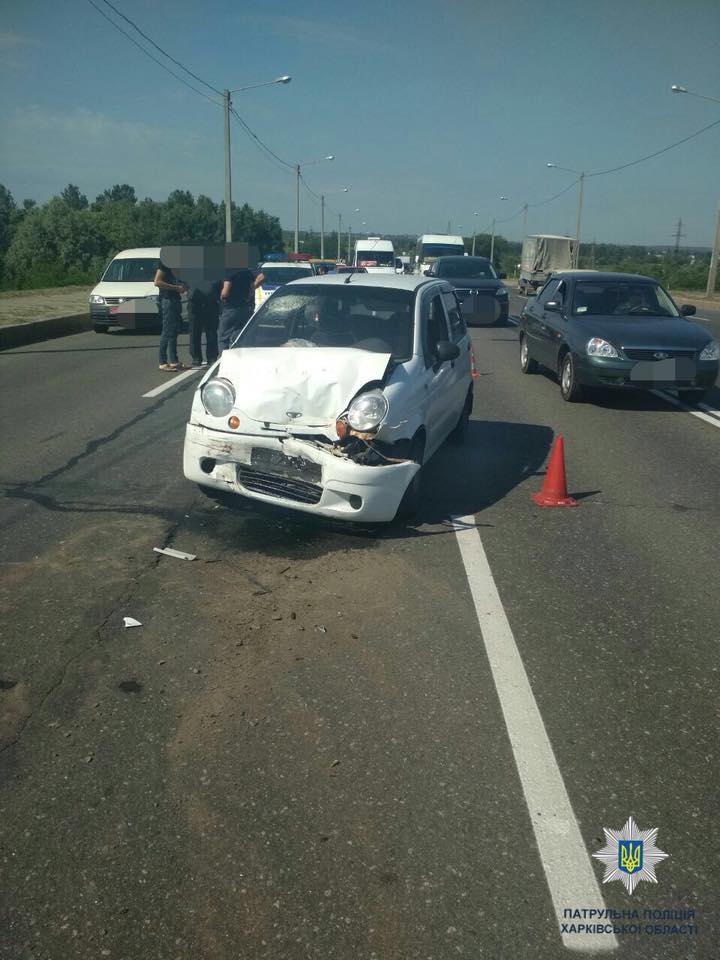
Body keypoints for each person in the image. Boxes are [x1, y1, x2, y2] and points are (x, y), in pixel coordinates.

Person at [217, 264, 265, 352]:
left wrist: (221, 297)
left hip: (231, 307)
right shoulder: (247, 272)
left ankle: (222, 359)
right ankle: (240, 355)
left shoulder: (229, 272)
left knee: (224, 336)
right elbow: (251, 288)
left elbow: (225, 292)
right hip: (245, 307)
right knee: (241, 334)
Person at [154, 260, 188, 371]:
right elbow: (157, 282)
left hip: (175, 299)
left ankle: (174, 361)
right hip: (168, 299)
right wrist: (176, 288)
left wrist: (182, 286)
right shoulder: (165, 264)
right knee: (167, 331)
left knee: (174, 330)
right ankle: (163, 362)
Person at [188, 278, 220, 367]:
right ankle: (196, 358)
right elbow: (183, 285)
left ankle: (212, 357)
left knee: (211, 333)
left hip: (211, 304)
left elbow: (221, 286)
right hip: (194, 305)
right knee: (194, 332)